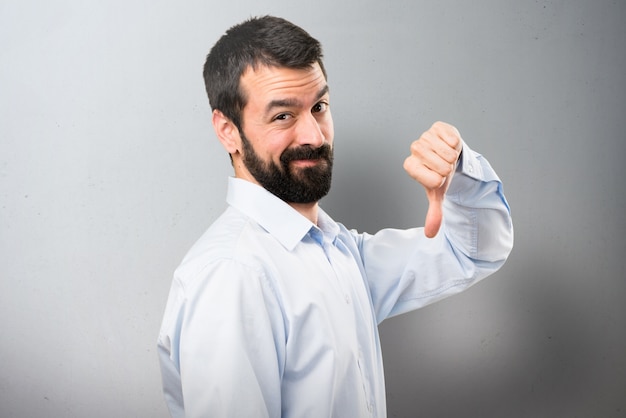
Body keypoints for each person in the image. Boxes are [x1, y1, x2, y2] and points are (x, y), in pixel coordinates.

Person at [157, 15, 513, 418]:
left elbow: (474, 252)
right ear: (227, 131)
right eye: (282, 116)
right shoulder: (233, 275)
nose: (314, 135)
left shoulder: (339, 252)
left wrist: (458, 165)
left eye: (319, 107)